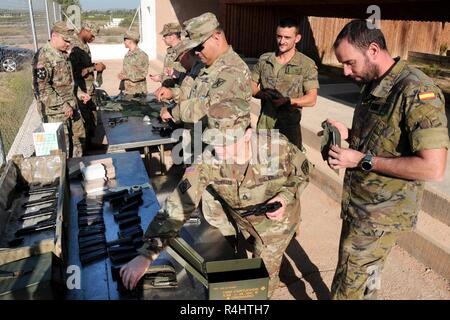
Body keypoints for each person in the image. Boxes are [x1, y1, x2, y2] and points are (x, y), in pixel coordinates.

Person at [120, 98, 311, 298]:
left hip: (277, 224)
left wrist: (286, 195)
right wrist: (146, 254)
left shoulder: (277, 146)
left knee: (260, 283)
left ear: (247, 135)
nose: (219, 149)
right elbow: (178, 204)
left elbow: (304, 172)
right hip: (241, 218)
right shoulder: (208, 160)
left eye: (227, 142)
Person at [326, 19, 449, 300]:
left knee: (348, 288)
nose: (346, 71)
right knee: (364, 284)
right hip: (361, 208)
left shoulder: (416, 91)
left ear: (372, 49)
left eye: (349, 63)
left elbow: (433, 167)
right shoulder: (373, 84)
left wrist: (361, 160)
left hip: (380, 216)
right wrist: (347, 136)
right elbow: (383, 140)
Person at [154, 12, 253, 237]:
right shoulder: (207, 66)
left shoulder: (232, 70)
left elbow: (206, 106)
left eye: (199, 47)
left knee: (223, 213)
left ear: (216, 37)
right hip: (206, 147)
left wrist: (173, 111)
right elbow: (193, 94)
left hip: (226, 156)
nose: (196, 53)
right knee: (209, 207)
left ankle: (233, 256)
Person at [252, 17, 319, 149]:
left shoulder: (306, 64)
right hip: (264, 127)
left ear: (297, 38)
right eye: (279, 36)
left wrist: (288, 101)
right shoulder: (265, 60)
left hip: (288, 130)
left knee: (287, 168)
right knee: (260, 166)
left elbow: (311, 99)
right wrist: (263, 94)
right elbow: (251, 86)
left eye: (287, 37)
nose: (282, 41)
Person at [32, 21, 88, 157]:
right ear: (54, 36)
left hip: (72, 107)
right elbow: (42, 89)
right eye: (66, 40)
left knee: (79, 142)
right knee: (61, 152)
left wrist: (80, 94)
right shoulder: (43, 57)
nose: (68, 44)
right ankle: (65, 177)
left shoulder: (62, 54)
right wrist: (63, 106)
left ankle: (78, 171)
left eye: (70, 41)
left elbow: (67, 83)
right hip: (56, 114)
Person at [69, 21, 106, 145]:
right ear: (85, 30)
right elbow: (73, 73)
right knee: (84, 121)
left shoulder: (84, 44)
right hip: (81, 91)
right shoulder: (74, 46)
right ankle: (86, 149)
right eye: (92, 35)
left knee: (92, 117)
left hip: (89, 89)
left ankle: (91, 145)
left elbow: (85, 66)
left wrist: (96, 66)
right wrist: (94, 68)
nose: (93, 38)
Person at [118, 30, 149, 97]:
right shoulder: (128, 54)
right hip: (128, 90)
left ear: (130, 41)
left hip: (137, 92)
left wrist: (126, 76)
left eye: (125, 40)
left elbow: (142, 74)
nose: (124, 42)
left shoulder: (142, 55)